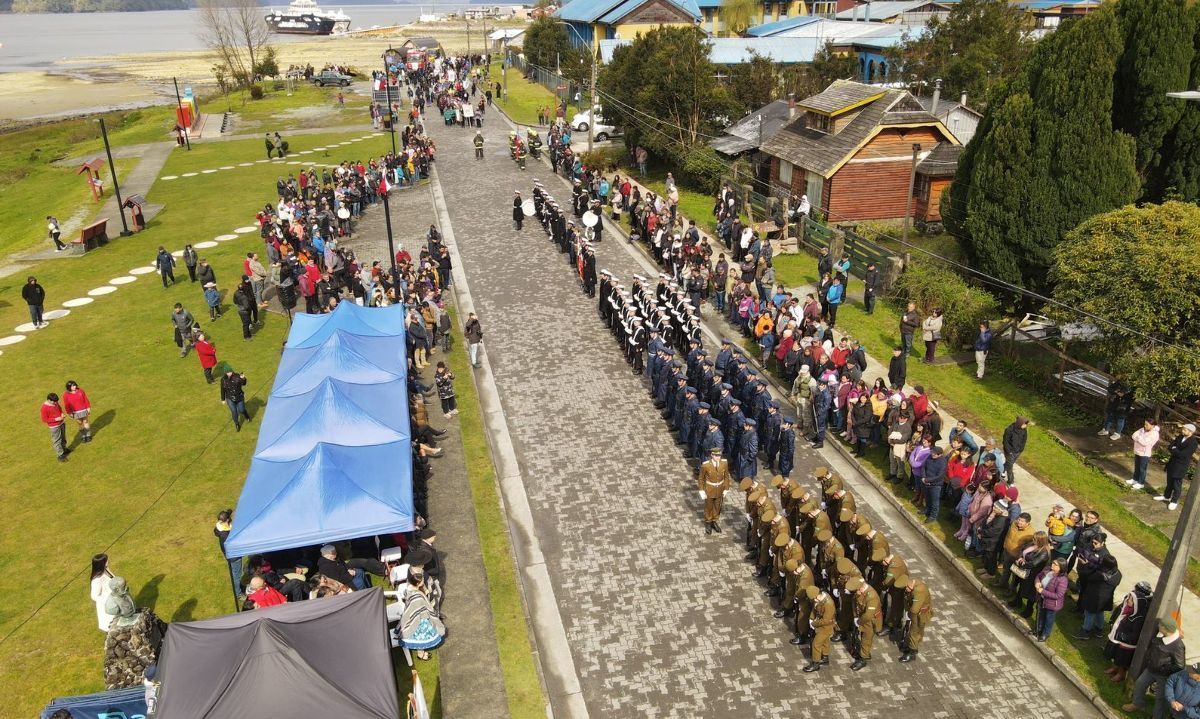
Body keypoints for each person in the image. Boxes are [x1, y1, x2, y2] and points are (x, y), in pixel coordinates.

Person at [1124, 617, 1186, 716]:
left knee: (1160, 697)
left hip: (1163, 675)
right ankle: (1138, 704)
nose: (1158, 626)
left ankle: (1157, 716)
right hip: (1151, 669)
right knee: (1140, 684)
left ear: (1166, 629)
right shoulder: (1160, 635)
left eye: (1160, 625)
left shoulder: (1178, 646)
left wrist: (1163, 670)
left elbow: (1180, 665)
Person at [1105, 581, 1153, 683]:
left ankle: (1121, 674)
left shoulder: (1139, 618)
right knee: (1117, 656)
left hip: (1127, 645)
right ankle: (1114, 667)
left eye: (1131, 599)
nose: (1128, 600)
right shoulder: (1127, 609)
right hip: (1120, 639)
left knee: (1123, 660)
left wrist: (1123, 636)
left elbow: (1135, 635)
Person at [1159, 424, 1198, 510]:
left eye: (1185, 430)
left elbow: (1183, 455)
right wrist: (1174, 449)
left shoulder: (1193, 442)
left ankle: (1174, 501)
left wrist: (1174, 449)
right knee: (1169, 482)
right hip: (1172, 463)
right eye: (1183, 429)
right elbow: (1170, 446)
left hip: (1181, 466)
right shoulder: (1180, 436)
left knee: (1177, 484)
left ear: (1190, 432)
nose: (1182, 431)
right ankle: (1166, 496)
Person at [895, 575, 932, 662]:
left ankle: (912, 652)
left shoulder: (918, 590)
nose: (905, 590)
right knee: (914, 631)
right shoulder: (912, 585)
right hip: (915, 611)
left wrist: (909, 615)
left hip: (919, 614)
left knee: (914, 632)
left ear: (910, 585)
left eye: (906, 588)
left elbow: (915, 609)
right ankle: (911, 644)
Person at [1033, 557, 1068, 642]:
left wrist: (1042, 591)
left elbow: (1058, 595)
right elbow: (1038, 576)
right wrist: (1037, 582)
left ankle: (1045, 634)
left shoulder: (1063, 580)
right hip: (1042, 599)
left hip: (1052, 604)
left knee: (1049, 618)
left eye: (1055, 564)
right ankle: (1038, 630)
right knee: (1041, 614)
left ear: (1061, 568)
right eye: (1053, 563)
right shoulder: (1047, 570)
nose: (1052, 565)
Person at [697, 447, 731, 534]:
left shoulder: (724, 463)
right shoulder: (706, 465)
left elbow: (726, 476)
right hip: (709, 489)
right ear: (711, 455)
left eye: (719, 455)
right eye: (716, 455)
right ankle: (708, 522)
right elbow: (701, 478)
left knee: (717, 506)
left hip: (720, 489)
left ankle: (714, 521)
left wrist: (726, 488)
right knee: (709, 507)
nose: (718, 457)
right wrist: (701, 490)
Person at [213, 509, 243, 598]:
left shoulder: (219, 526)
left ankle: (238, 590)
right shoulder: (225, 535)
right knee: (236, 575)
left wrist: (229, 512)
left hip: (229, 555)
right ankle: (238, 594)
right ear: (227, 520)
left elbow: (226, 518)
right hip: (234, 556)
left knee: (234, 572)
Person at [1127, 418, 1161, 491]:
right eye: (1145, 424)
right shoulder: (1143, 429)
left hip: (1145, 453)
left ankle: (1141, 483)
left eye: (1147, 425)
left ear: (1152, 425)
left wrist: (1138, 438)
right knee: (1137, 466)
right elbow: (1133, 435)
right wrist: (1140, 438)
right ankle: (1135, 479)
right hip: (1137, 451)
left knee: (1142, 469)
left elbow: (1145, 443)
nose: (1145, 426)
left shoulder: (1155, 434)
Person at [90, 553, 114, 632]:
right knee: (112, 626)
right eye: (106, 560)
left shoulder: (106, 570)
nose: (108, 561)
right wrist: (107, 600)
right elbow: (94, 596)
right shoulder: (97, 580)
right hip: (107, 605)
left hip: (114, 601)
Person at [41, 392, 69, 462]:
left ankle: (64, 449)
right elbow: (44, 419)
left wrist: (62, 414)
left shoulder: (55, 403)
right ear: (49, 400)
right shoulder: (44, 408)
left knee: (63, 437)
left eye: (56, 401)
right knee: (57, 440)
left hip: (62, 423)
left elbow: (59, 408)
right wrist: (56, 419)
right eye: (54, 402)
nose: (55, 403)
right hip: (54, 427)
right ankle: (60, 455)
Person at [1002, 416, 1029, 485]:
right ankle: (1011, 481)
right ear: (1020, 423)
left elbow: (1024, 440)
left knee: (1009, 464)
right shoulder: (1009, 430)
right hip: (1009, 452)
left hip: (1018, 452)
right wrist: (1009, 452)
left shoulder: (1024, 430)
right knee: (1010, 467)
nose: (1025, 426)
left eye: (1026, 424)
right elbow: (1005, 442)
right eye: (1024, 424)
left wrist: (1021, 449)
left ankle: (1002, 469)